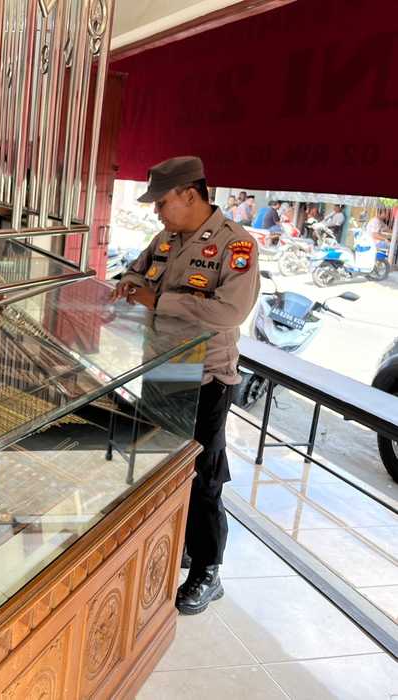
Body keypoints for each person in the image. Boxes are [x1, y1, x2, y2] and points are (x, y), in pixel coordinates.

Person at [111, 156, 259, 615]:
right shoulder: (166, 239)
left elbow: (230, 312)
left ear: (190, 194)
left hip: (206, 376)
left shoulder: (236, 244)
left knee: (204, 475)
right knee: (164, 466)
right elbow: (136, 271)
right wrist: (130, 284)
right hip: (162, 367)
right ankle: (181, 545)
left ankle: (208, 570)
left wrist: (159, 300)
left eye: (162, 202)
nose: (157, 212)